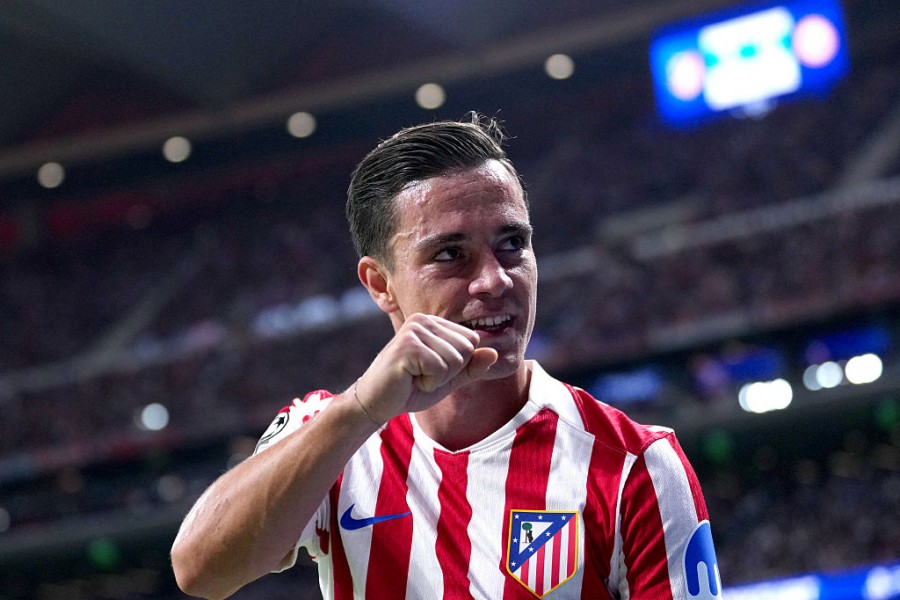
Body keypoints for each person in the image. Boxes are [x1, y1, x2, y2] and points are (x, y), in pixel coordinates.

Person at [171, 114, 723, 599]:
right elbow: (199, 571)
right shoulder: (330, 436)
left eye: (512, 244)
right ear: (381, 284)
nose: (495, 280)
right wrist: (359, 411)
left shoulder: (636, 464)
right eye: (451, 254)